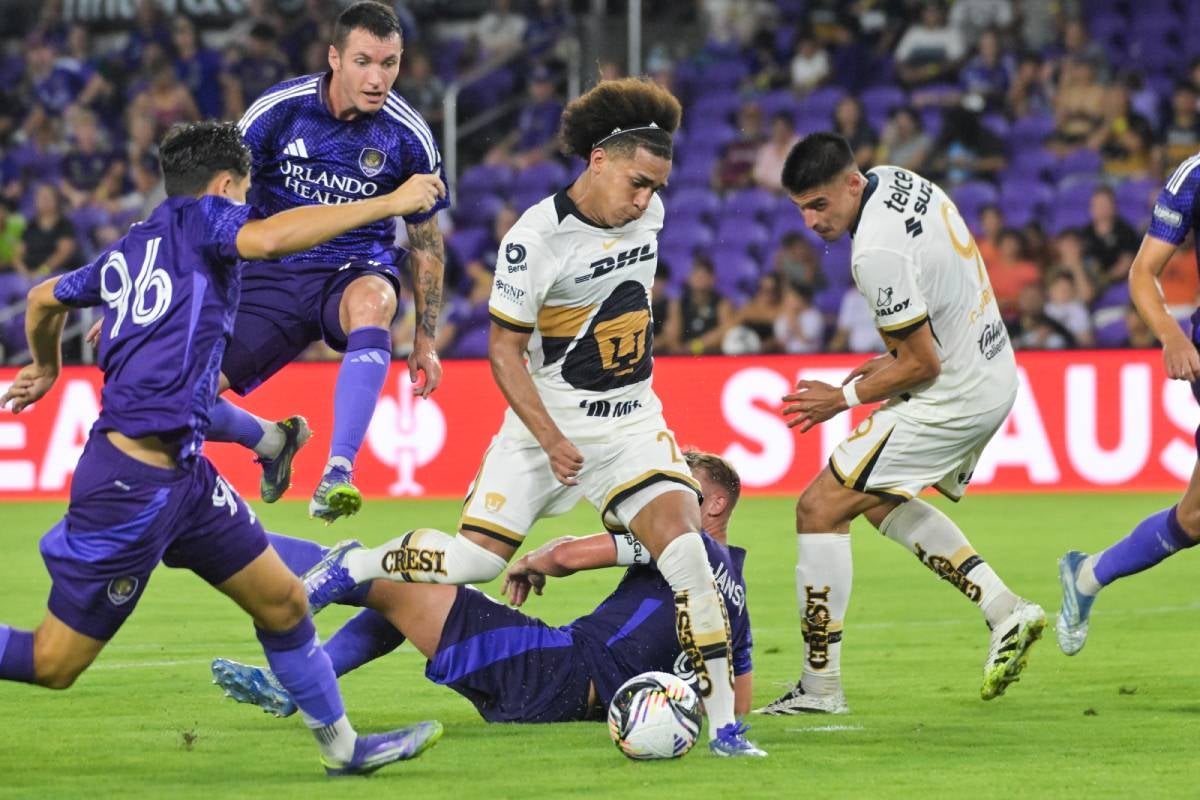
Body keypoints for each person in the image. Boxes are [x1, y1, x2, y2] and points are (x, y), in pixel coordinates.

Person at [295, 77, 765, 757]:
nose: (646, 200)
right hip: (547, 425)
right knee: (475, 562)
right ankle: (356, 562)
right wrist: (550, 438)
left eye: (656, 187)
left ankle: (723, 730)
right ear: (598, 161)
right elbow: (502, 351)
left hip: (632, 423)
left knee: (689, 555)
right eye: (637, 183)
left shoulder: (649, 215)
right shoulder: (535, 240)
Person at [0, 121, 447, 774]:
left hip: (186, 476)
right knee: (54, 661)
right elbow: (269, 239)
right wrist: (391, 202)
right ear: (224, 186)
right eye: (244, 193)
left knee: (284, 603)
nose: (247, 206)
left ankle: (344, 751)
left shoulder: (134, 247)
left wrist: (45, 366)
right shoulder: (205, 218)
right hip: (130, 485)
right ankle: (272, 440)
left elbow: (44, 299)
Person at [757, 133, 1046, 716]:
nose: (812, 222)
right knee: (872, 500)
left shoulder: (874, 253)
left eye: (819, 205)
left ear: (851, 184)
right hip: (990, 367)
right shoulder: (894, 179)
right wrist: (889, 362)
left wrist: (841, 397)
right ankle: (1004, 609)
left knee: (818, 508)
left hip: (953, 391)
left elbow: (922, 364)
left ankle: (819, 690)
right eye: (801, 209)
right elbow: (929, 314)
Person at [212, 452, 755, 725]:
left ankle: (218, 532)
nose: (665, 492)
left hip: (559, 669)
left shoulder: (681, 540)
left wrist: (534, 561)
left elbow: (566, 555)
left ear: (714, 504)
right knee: (415, 587)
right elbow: (740, 699)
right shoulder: (736, 593)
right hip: (569, 687)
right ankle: (298, 687)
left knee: (395, 576)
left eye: (682, 481)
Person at [202, 2, 449, 521]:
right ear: (334, 57)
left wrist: (426, 339)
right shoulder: (279, 111)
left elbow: (426, 245)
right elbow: (216, 207)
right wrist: (158, 289)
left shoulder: (408, 135)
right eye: (363, 62)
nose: (377, 79)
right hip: (271, 275)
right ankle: (271, 441)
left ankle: (339, 471)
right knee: (181, 399)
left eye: (389, 63)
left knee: (374, 300)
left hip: (353, 270)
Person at [1056, 150, 1200, 655]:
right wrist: (1171, 336)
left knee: (1193, 520)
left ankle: (1088, 575)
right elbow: (1142, 272)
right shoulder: (1193, 177)